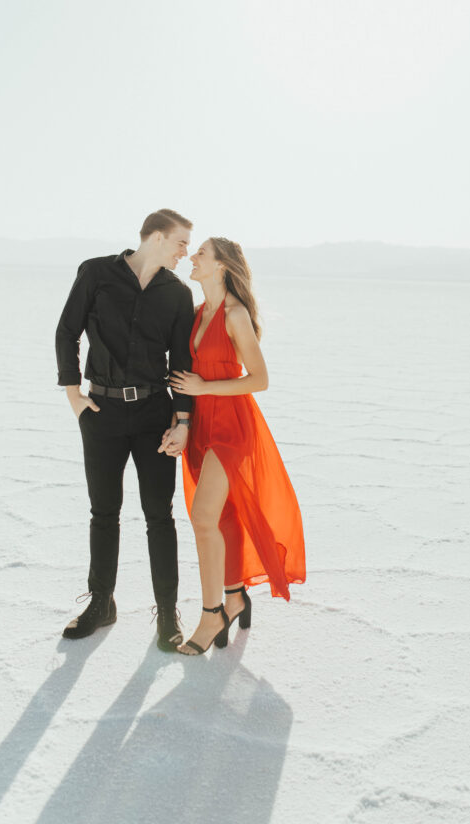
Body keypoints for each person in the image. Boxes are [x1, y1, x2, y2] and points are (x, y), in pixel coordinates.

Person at [55, 208, 195, 651]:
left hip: (155, 413)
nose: (184, 253)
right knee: (104, 511)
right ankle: (101, 603)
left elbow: (182, 364)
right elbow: (66, 331)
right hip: (102, 412)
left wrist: (184, 419)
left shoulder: (177, 294)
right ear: (156, 237)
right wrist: (73, 394)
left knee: (160, 515)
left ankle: (167, 613)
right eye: (180, 243)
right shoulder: (97, 273)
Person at [168, 237, 306, 655]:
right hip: (202, 424)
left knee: (202, 515)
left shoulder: (235, 314)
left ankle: (213, 613)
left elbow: (259, 379)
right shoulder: (195, 315)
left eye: (201, 254)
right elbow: (185, 381)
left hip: (232, 425)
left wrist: (205, 386)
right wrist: (181, 423)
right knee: (221, 516)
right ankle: (234, 596)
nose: (192, 257)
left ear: (222, 266)